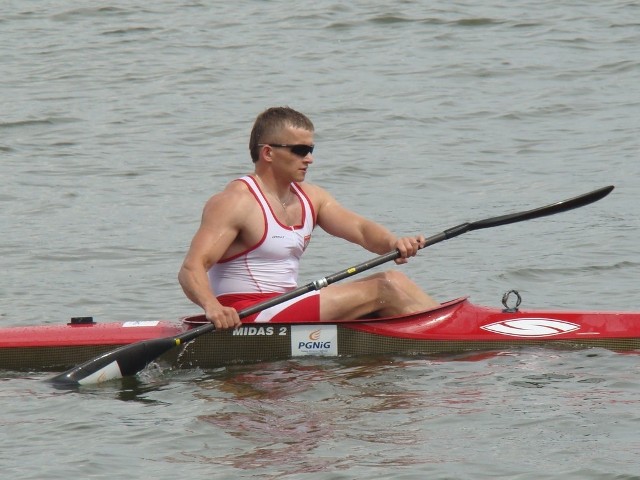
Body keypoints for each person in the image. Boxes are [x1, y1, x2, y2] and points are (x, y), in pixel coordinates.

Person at [178, 106, 439, 329]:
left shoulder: (312, 197)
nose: (310, 159)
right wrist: (213, 308)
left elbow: (360, 229)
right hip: (247, 314)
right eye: (300, 150)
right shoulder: (236, 202)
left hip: (286, 305)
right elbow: (191, 269)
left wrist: (394, 243)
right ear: (268, 153)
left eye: (311, 149)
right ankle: (462, 336)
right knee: (388, 285)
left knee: (381, 301)